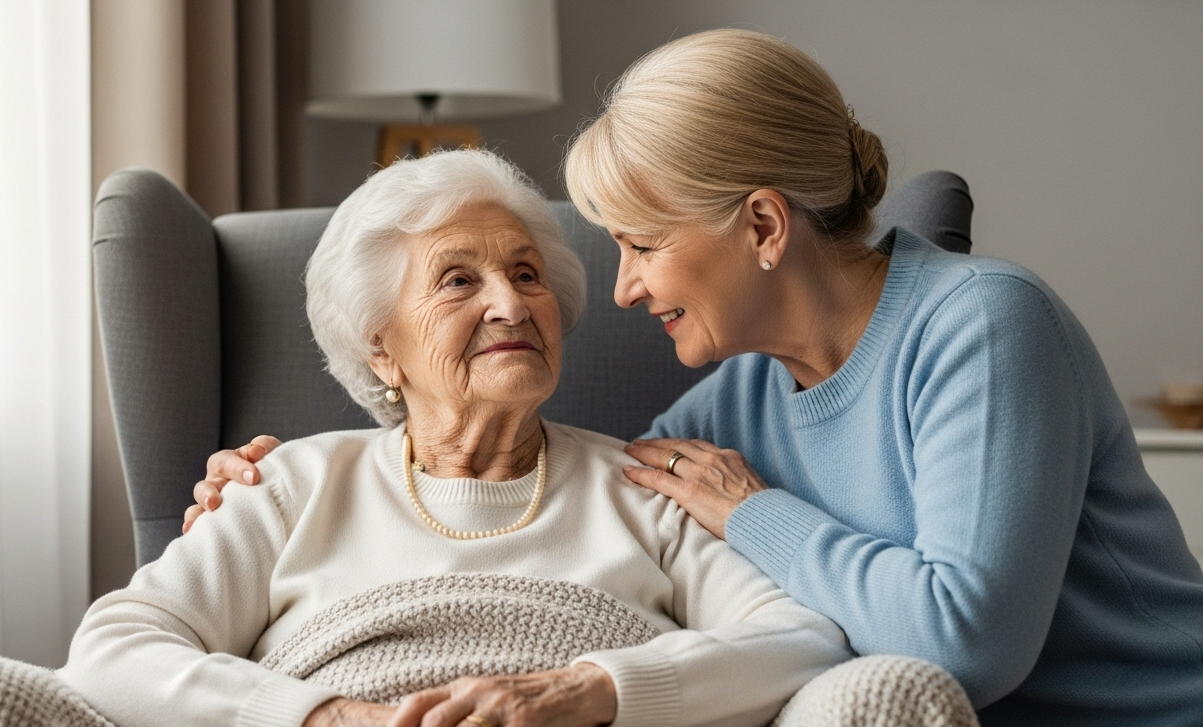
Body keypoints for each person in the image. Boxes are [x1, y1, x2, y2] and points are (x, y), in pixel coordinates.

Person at [196, 29, 1203, 726]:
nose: (623, 290)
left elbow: (966, 645)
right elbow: (570, 499)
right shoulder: (732, 403)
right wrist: (276, 491)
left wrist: (759, 514)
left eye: (640, 245)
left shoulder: (983, 325)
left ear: (764, 226)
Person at [60, 149, 852, 727]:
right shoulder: (292, 482)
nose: (511, 304)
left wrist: (592, 687)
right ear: (380, 346)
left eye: (528, 274)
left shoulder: (645, 486)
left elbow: (800, 639)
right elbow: (112, 649)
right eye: (458, 279)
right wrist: (325, 715)